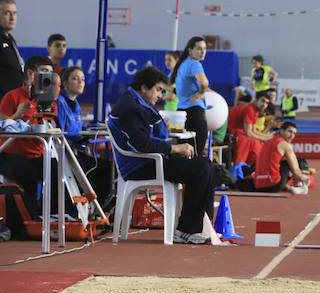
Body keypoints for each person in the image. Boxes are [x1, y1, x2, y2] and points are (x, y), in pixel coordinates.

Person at [108, 66, 216, 244]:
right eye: (158, 90)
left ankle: (204, 224)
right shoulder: (131, 108)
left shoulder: (136, 103)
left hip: (150, 161)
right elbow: (141, 144)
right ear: (144, 88)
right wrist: (174, 149)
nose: (160, 95)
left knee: (206, 164)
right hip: (140, 166)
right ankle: (186, 230)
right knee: (201, 168)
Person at [0, 55, 60, 217]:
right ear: (31, 73)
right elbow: (2, 125)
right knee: (27, 172)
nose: (47, 77)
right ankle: (29, 218)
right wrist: (17, 115)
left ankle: (54, 214)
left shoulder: (50, 99)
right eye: (43, 72)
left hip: (39, 154)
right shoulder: (12, 96)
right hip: (12, 155)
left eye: (50, 73)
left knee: (59, 171)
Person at [56, 65, 113, 207]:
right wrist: (86, 133)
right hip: (65, 154)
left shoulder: (76, 104)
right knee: (100, 168)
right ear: (65, 83)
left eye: (82, 79)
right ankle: (91, 207)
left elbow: (79, 131)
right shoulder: (60, 103)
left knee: (109, 167)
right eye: (75, 79)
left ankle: (99, 206)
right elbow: (60, 132)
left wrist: (94, 128)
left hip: (76, 150)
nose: (80, 82)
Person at [171, 36, 209, 156]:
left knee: (184, 154)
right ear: (190, 50)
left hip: (180, 113)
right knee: (196, 154)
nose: (203, 52)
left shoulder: (182, 64)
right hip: (195, 113)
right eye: (199, 49)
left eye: (204, 48)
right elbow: (204, 82)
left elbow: (170, 86)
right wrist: (200, 93)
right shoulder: (194, 64)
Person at [253, 121, 310, 195]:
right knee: (297, 163)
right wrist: (306, 179)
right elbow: (296, 172)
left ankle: (288, 187)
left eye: (294, 133)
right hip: (274, 185)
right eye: (290, 132)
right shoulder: (285, 145)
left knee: (279, 164)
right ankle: (297, 184)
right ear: (282, 131)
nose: (292, 136)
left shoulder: (268, 141)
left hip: (258, 185)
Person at [227, 92, 272, 167]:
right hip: (230, 131)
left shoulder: (256, 111)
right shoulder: (249, 110)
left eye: (266, 103)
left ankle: (250, 167)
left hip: (238, 131)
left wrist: (267, 137)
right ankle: (239, 166)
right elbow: (248, 132)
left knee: (258, 142)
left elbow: (254, 131)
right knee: (250, 141)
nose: (264, 104)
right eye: (262, 101)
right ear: (256, 100)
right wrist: (265, 138)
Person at [0, 0, 25, 101]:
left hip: (12, 104)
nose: (12, 17)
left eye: (14, 13)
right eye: (7, 13)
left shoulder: (9, 39)